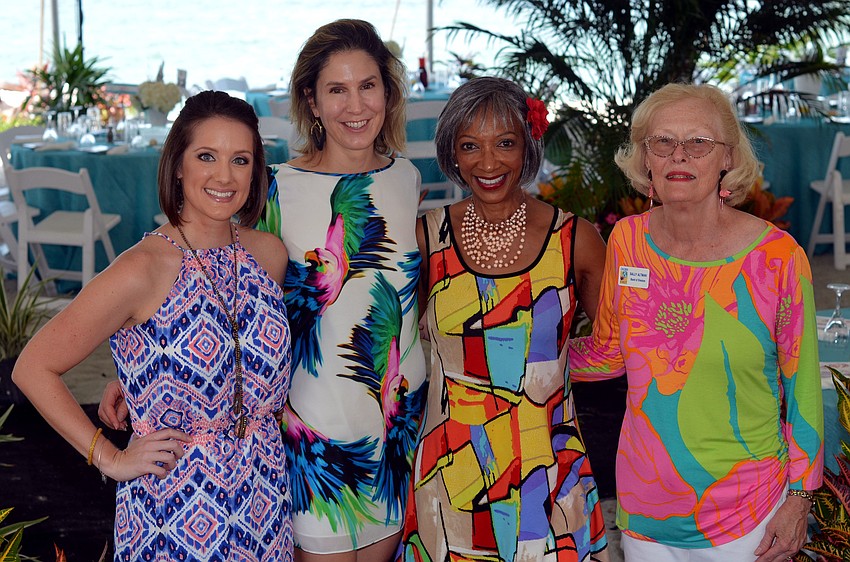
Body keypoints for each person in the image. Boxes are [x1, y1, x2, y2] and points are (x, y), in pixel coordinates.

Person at [17, 90, 294, 560]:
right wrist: (109, 456)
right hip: (176, 509)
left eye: (241, 159)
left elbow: (236, 354)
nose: (224, 176)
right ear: (178, 165)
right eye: (206, 156)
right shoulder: (142, 268)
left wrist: (141, 379)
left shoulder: (268, 255)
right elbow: (32, 367)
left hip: (266, 496)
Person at [568, 83, 823, 562]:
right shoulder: (627, 240)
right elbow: (608, 352)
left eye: (698, 143)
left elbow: (804, 386)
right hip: (645, 512)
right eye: (663, 142)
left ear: (726, 157)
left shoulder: (776, 258)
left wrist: (800, 499)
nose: (678, 155)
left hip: (747, 514)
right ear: (646, 160)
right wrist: (525, 353)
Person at [398, 76, 610, 561]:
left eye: (505, 144)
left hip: (548, 474)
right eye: (470, 145)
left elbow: (614, 350)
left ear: (529, 146)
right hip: (452, 477)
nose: (488, 163)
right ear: (452, 152)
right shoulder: (427, 237)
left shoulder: (575, 239)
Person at [257, 19, 427, 562]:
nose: (356, 105)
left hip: (396, 420)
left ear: (388, 92)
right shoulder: (274, 187)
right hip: (314, 427)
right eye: (337, 89)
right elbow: (202, 271)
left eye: (368, 85)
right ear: (311, 100)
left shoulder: (407, 177)